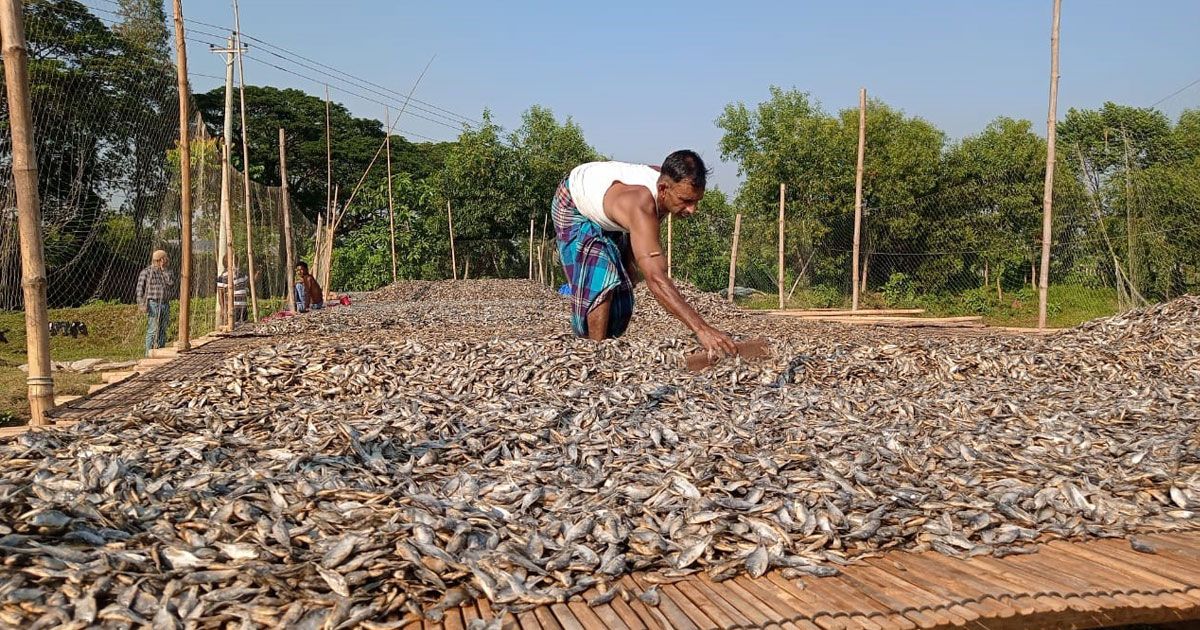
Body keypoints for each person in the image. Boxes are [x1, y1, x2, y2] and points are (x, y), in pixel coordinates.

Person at [552, 150, 737, 357]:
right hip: (575, 202)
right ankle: (595, 354)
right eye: (686, 200)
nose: (692, 209)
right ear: (663, 189)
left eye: (696, 201)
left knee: (626, 280)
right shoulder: (641, 203)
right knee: (602, 274)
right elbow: (656, 278)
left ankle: (603, 342)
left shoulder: (666, 187)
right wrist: (702, 329)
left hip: (613, 212)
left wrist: (631, 263)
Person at [136, 249, 174, 355]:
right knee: (152, 329)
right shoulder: (146, 272)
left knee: (163, 329)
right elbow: (140, 289)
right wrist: (141, 304)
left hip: (165, 303)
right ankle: (148, 353)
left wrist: (164, 270)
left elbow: (171, 284)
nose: (167, 260)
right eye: (165, 258)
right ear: (160, 259)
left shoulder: (167, 272)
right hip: (153, 303)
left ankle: (160, 351)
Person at [216, 257, 249, 324]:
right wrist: (223, 310)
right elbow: (221, 294)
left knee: (243, 325)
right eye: (234, 262)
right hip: (232, 307)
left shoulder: (241, 274)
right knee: (233, 325)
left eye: (237, 262)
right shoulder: (223, 277)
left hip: (243, 306)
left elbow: (249, 283)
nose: (236, 264)